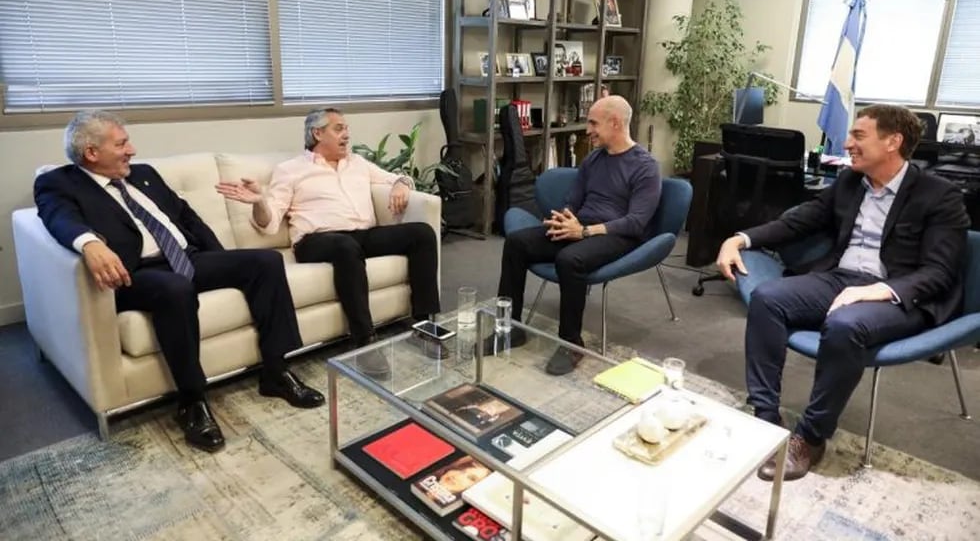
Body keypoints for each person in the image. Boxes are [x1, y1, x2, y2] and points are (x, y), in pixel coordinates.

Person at [34, 111, 324, 454]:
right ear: (91, 153)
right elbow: (58, 217)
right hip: (137, 272)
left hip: (188, 257)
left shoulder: (142, 175)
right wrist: (89, 243)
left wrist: (220, 260)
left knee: (266, 260)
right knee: (175, 288)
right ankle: (192, 401)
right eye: (122, 143)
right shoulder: (60, 183)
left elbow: (186, 216)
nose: (133, 149)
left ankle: (276, 372)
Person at [715, 104, 969, 482]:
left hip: (899, 295)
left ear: (893, 141)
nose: (847, 142)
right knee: (768, 298)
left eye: (859, 135)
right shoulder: (851, 183)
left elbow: (939, 272)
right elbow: (800, 220)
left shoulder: (940, 196)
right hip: (840, 278)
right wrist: (741, 238)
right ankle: (766, 416)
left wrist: (876, 292)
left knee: (845, 324)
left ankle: (812, 437)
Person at [215, 108, 440, 381]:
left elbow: (395, 178)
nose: (346, 134)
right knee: (345, 247)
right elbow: (269, 222)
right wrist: (259, 201)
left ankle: (423, 324)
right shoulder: (291, 170)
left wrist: (402, 185)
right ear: (317, 133)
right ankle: (365, 341)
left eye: (346, 128)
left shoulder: (357, 163)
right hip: (315, 241)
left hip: (361, 235)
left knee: (422, 233)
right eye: (338, 128)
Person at [494, 96, 662, 375]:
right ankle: (510, 328)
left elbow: (636, 222)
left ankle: (572, 344)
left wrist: (583, 232)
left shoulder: (645, 167)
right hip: (581, 225)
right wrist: (565, 218)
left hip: (617, 234)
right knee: (517, 243)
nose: (588, 130)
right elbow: (574, 200)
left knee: (569, 259)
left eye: (593, 123)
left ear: (616, 123)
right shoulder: (594, 158)